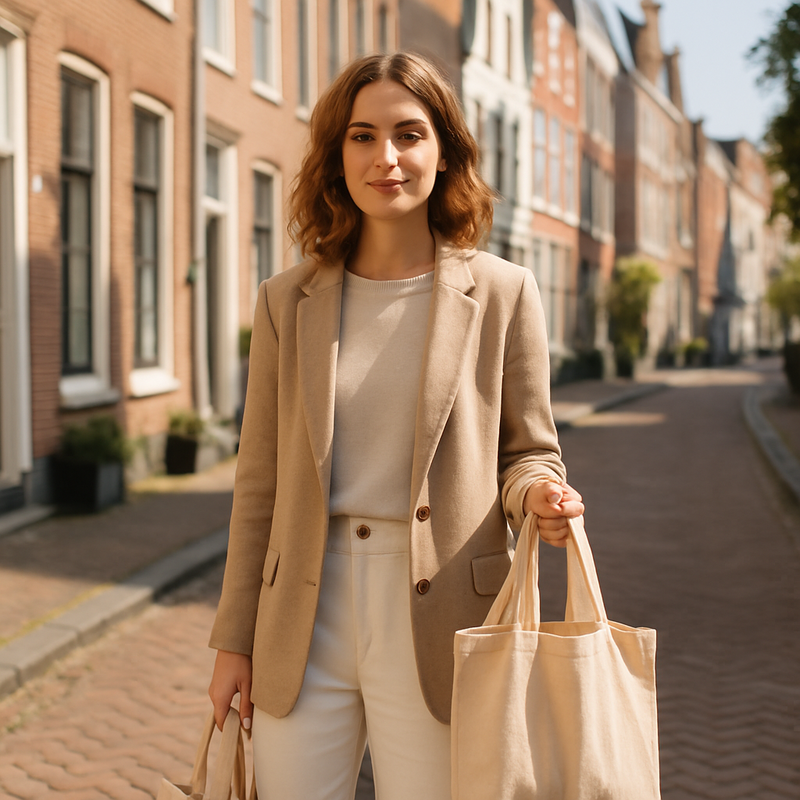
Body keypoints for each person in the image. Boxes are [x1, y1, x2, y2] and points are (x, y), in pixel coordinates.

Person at [208, 51, 584, 800]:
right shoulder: (287, 301)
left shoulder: (505, 292)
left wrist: (539, 496)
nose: (387, 158)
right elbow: (258, 484)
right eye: (362, 136)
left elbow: (529, 453)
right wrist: (232, 640)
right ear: (336, 155)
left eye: (409, 134)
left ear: (443, 152)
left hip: (444, 610)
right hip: (301, 616)